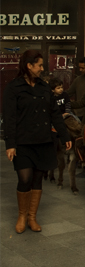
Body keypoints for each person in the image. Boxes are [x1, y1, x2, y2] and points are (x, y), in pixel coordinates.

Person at [3, 49, 71, 234]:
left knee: (37, 179)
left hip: (43, 140)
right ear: (29, 66)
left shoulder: (43, 87)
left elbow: (55, 114)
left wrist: (65, 136)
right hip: (23, 142)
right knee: (24, 178)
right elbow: (9, 118)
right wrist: (10, 144)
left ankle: (32, 217)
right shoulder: (13, 88)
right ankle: (22, 216)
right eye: (40, 65)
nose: (42, 68)